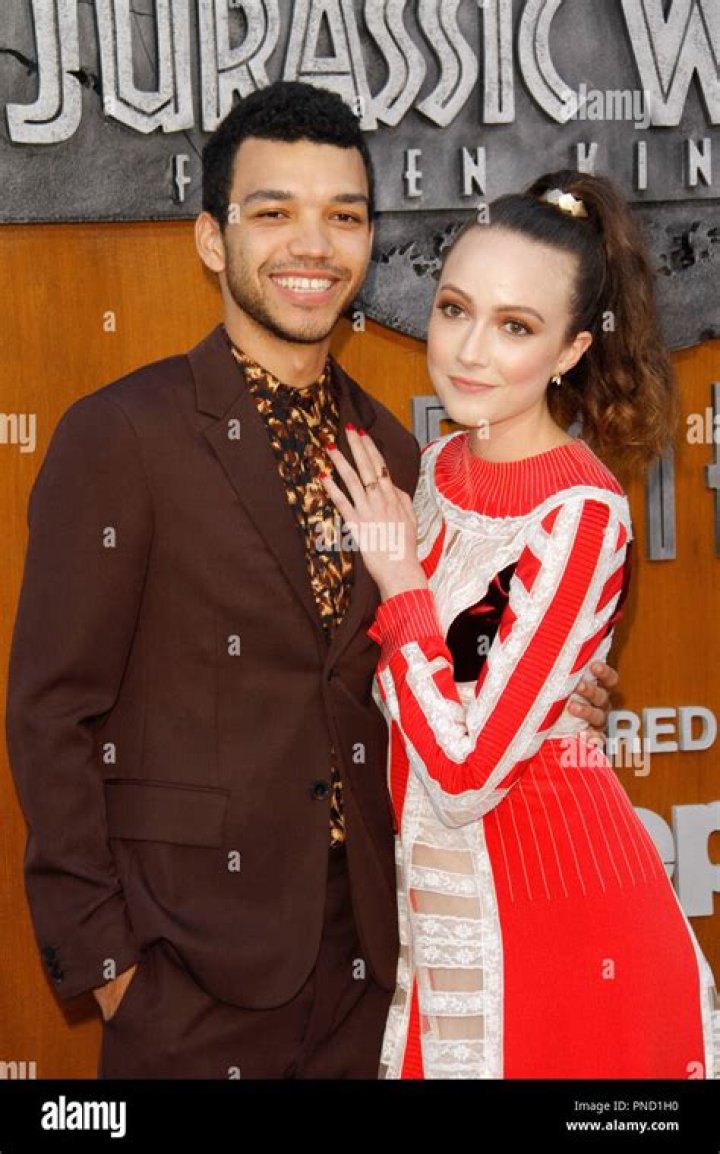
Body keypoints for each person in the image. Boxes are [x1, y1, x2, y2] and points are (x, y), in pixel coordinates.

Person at [5, 84, 614, 1080]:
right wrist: (111, 966)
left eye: (344, 215)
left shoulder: (396, 453)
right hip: (185, 967)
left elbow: (443, 660)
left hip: (371, 959)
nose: (313, 244)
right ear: (213, 239)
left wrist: (560, 686)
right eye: (274, 211)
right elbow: (52, 712)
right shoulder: (122, 435)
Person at [322, 170, 720, 1079]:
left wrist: (399, 578)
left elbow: (464, 774)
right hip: (446, 902)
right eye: (455, 309)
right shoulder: (436, 468)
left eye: (515, 327)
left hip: (562, 914)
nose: (469, 351)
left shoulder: (581, 514)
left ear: (572, 348)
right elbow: (432, 699)